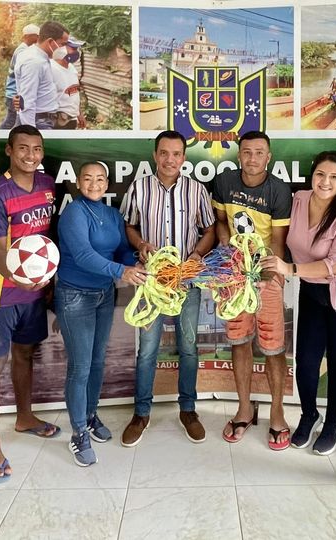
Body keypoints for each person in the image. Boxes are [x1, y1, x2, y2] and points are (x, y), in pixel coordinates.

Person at [261, 151, 336, 455]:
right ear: (312, 175)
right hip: (311, 291)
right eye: (321, 174)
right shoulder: (298, 200)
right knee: (306, 361)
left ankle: (333, 424)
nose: (325, 182)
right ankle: (309, 415)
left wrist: (288, 268)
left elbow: (335, 266)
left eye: (334, 177)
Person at [0, 124, 62, 483]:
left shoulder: (47, 185)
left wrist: (46, 279)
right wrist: (23, 278)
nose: (30, 155)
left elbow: (46, 239)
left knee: (25, 354)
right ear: (9, 151)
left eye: (36, 149)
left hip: (34, 291)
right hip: (1, 292)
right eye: (23, 148)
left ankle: (24, 417)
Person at [119, 130, 216, 447]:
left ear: (184, 158)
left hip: (186, 282)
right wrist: (140, 244)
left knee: (188, 347)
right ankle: (141, 413)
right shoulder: (140, 188)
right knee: (148, 349)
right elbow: (129, 225)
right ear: (155, 155)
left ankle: (188, 409)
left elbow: (210, 229)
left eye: (176, 154)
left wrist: (196, 255)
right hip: (152, 283)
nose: (169, 159)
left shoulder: (196, 189)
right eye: (164, 153)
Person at [55, 162, 147, 466]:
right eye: (87, 178)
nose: (94, 184)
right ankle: (78, 432)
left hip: (104, 294)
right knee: (80, 367)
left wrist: (137, 259)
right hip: (75, 296)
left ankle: (90, 415)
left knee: (97, 361)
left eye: (99, 179)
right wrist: (123, 271)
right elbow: (83, 255)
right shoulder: (74, 213)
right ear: (78, 182)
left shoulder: (112, 214)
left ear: (107, 183)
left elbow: (120, 250)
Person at [211, 131, 292, 450]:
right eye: (247, 152)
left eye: (259, 152)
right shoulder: (224, 182)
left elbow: (278, 242)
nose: (252, 158)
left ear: (268, 157)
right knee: (239, 341)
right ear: (239, 155)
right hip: (233, 275)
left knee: (273, 348)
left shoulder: (279, 190)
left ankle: (277, 414)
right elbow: (220, 221)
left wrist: (269, 277)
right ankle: (244, 409)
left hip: (266, 275)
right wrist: (225, 245)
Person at [15, 21, 67, 129]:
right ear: (50, 42)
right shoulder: (34, 62)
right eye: (62, 44)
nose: (64, 49)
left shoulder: (40, 57)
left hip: (42, 119)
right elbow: (27, 101)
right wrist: (30, 131)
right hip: (38, 121)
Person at [0, 23, 40, 130]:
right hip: (15, 94)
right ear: (27, 36)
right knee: (11, 122)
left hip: (14, 93)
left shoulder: (25, 49)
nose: (38, 39)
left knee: (13, 121)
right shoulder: (23, 51)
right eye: (36, 36)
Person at [50, 36, 86, 130]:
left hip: (72, 119)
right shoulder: (51, 68)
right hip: (58, 121)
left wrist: (79, 114)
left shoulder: (72, 68)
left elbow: (74, 93)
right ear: (60, 48)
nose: (76, 52)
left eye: (77, 49)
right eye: (73, 48)